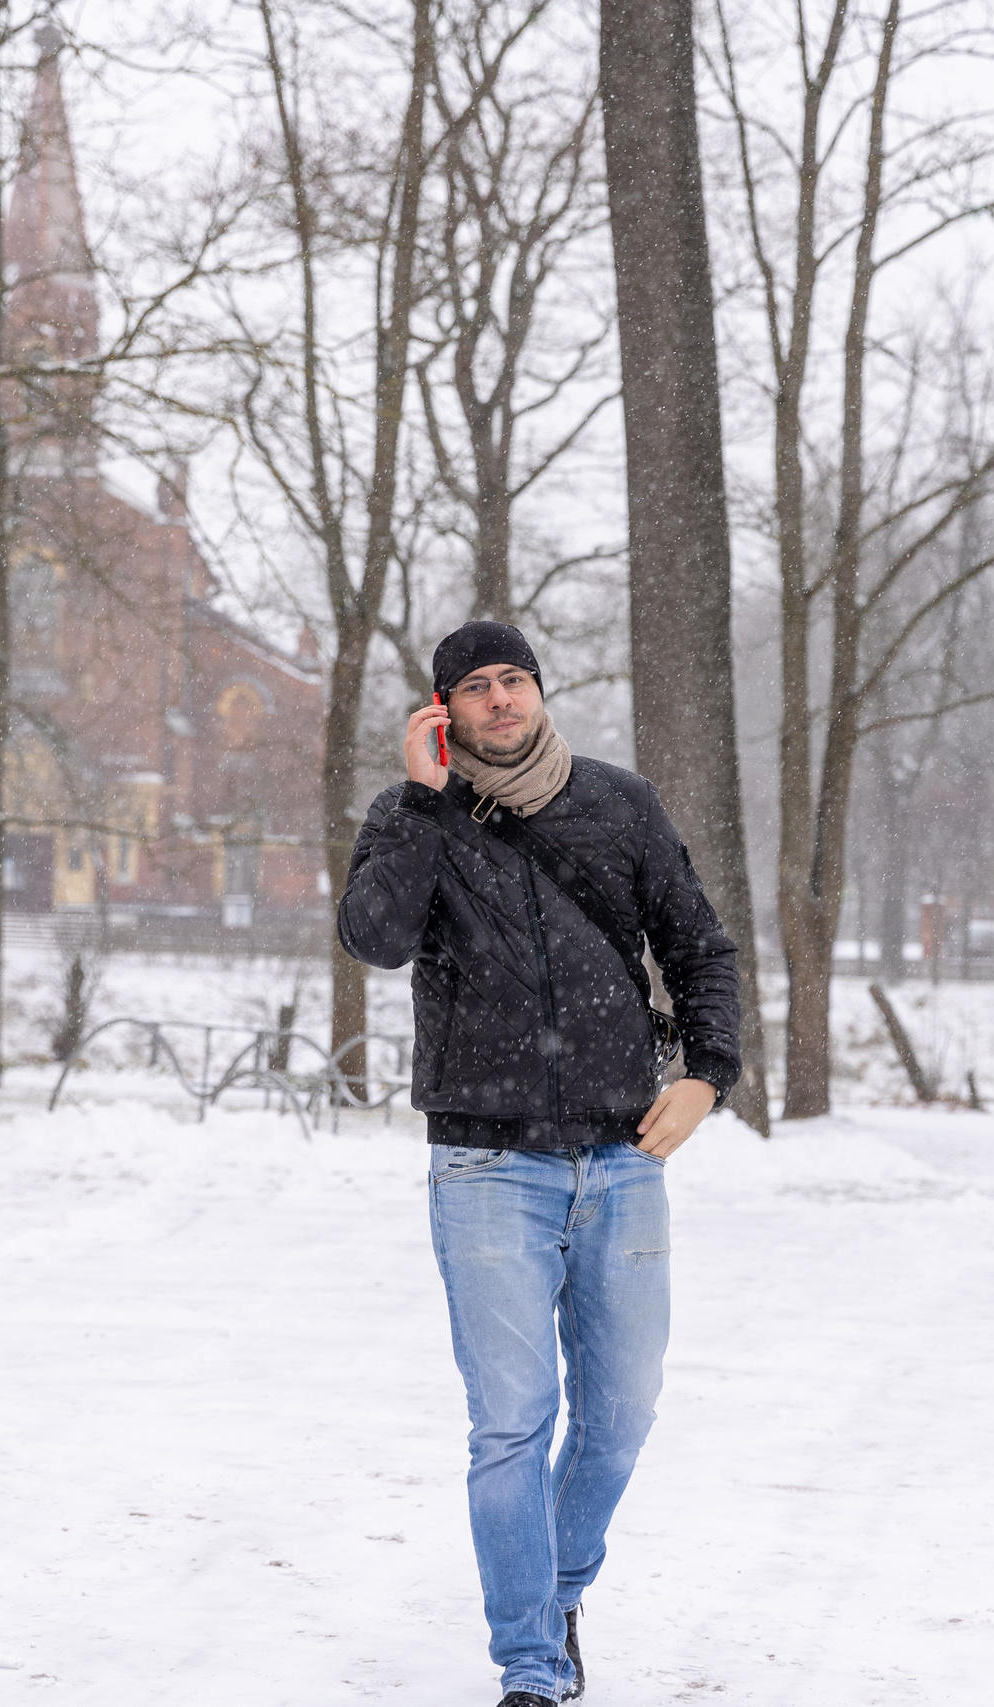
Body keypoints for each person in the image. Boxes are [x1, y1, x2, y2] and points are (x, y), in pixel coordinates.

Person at [337, 620, 741, 1707]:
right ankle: (530, 1660)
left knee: (623, 1415)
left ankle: (555, 1588)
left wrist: (708, 1074)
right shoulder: (407, 816)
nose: (502, 699)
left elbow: (700, 948)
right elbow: (374, 936)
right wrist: (423, 802)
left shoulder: (618, 804)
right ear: (442, 710)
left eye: (515, 679)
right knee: (512, 1422)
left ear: (539, 691)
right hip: (485, 1166)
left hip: (621, 1158)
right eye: (477, 687)